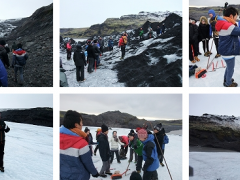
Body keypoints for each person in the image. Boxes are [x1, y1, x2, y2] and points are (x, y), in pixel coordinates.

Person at [60, 110, 99, 179]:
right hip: (79, 177)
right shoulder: (81, 143)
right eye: (81, 122)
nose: (82, 124)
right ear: (76, 125)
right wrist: (94, 173)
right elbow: (88, 162)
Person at [215, 6, 240, 87]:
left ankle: (226, 79)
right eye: (236, 16)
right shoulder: (229, 26)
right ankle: (228, 83)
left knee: (228, 67)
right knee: (230, 69)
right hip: (228, 51)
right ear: (231, 16)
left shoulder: (223, 23)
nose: (237, 18)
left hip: (225, 50)